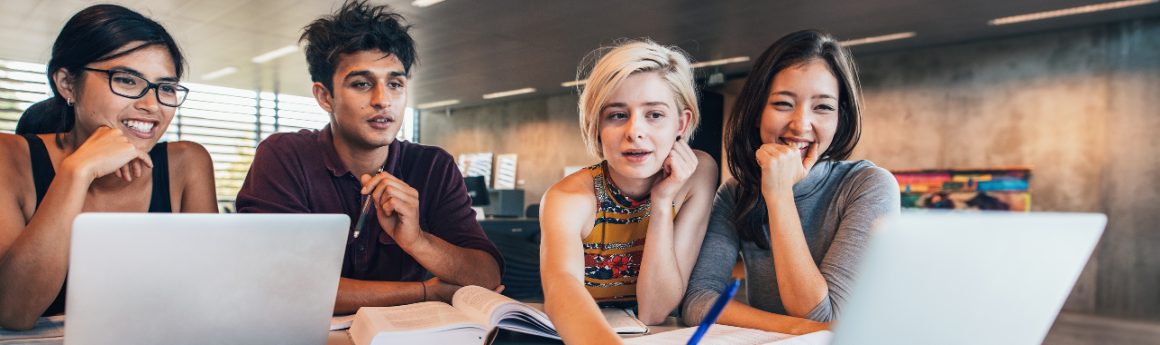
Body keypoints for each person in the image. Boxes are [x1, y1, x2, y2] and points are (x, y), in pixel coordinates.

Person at [235, 0, 503, 314]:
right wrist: (424, 292)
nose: (383, 100)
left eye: (395, 84)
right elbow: (280, 286)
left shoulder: (433, 166)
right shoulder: (285, 156)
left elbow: (487, 276)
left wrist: (417, 240)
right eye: (362, 84)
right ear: (325, 96)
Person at [0, 4, 216, 330]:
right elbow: (13, 312)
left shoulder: (187, 164)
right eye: (127, 80)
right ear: (67, 84)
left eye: (166, 87)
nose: (151, 105)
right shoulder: (9, 157)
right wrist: (78, 171)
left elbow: (211, 299)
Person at [681, 29, 900, 334]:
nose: (801, 124)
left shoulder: (868, 186)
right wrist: (795, 329)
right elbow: (697, 301)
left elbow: (822, 315)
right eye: (784, 103)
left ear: (840, 119)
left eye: (823, 107)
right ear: (757, 112)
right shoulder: (735, 193)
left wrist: (779, 194)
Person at [539, 40, 718, 344]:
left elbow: (655, 310)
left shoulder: (698, 174)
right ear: (597, 126)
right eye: (617, 115)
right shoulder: (568, 198)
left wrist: (661, 202)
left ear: (682, 123)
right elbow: (560, 290)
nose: (635, 131)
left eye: (655, 115)